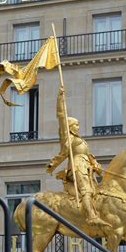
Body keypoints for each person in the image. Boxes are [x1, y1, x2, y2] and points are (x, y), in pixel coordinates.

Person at [46, 87, 110, 228]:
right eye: (75, 125)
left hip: (86, 167)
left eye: (78, 124)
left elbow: (88, 155)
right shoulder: (68, 137)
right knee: (86, 191)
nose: (78, 127)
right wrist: (60, 99)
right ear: (69, 127)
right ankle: (91, 217)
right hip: (77, 167)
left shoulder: (80, 140)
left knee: (95, 191)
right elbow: (61, 116)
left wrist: (97, 167)